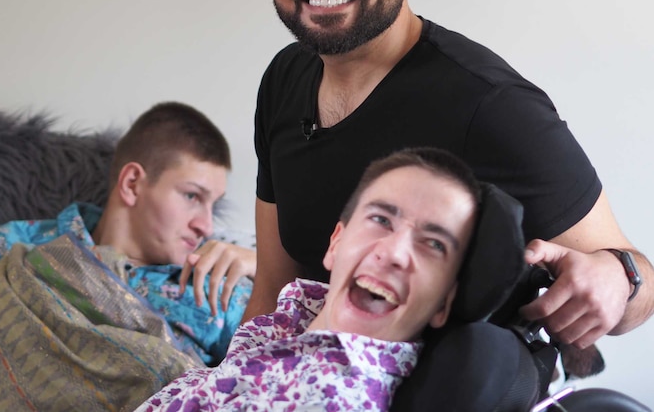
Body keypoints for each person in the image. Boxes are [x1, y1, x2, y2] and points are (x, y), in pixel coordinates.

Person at [244, 0, 653, 353]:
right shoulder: (285, 79)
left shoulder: (492, 106)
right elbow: (273, 291)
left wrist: (618, 277)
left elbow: (639, 292)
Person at [0, 101, 256, 412]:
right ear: (132, 183)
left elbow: (274, 381)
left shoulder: (217, 288)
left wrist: (263, 266)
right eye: (192, 196)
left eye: (213, 204)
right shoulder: (21, 248)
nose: (207, 225)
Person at [138, 147, 482, 411]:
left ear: (444, 303)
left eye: (434, 244)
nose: (394, 252)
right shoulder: (293, 317)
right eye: (381, 219)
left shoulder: (335, 399)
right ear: (335, 243)